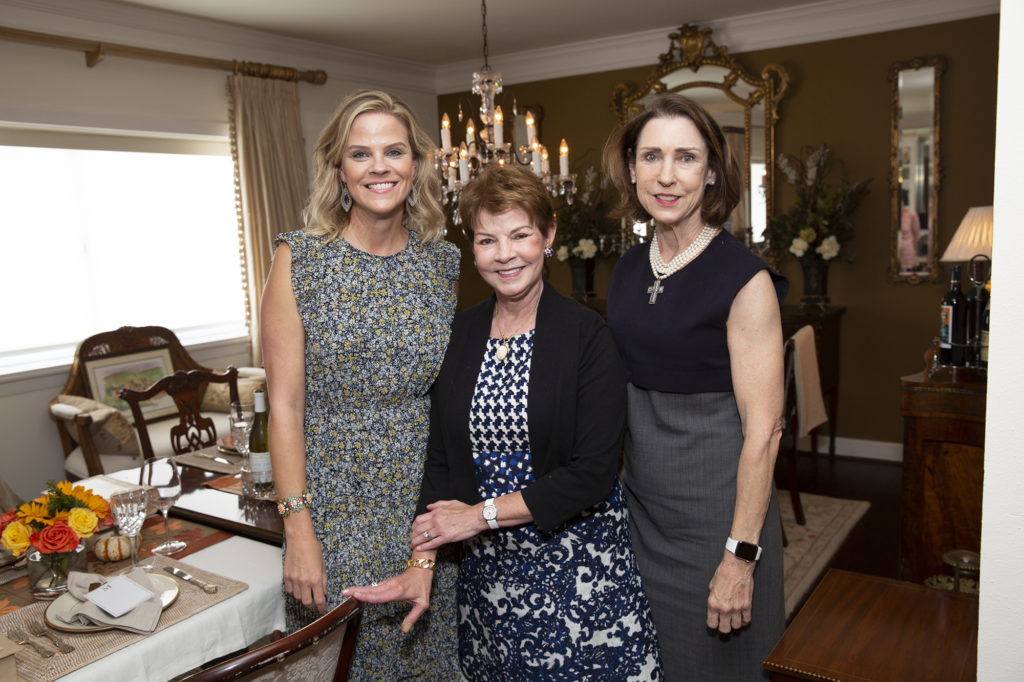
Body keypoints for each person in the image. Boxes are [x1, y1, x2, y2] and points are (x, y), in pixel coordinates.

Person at [345, 164, 662, 680]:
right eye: (488, 240)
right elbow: (442, 458)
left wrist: (476, 517)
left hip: (576, 566)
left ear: (548, 236)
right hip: (488, 575)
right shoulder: (461, 332)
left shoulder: (587, 335)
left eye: (520, 235)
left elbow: (593, 473)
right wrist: (421, 561)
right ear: (473, 250)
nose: (505, 254)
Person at [261, 89, 460, 679]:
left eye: (394, 151)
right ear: (339, 170)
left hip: (420, 506)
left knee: (424, 660)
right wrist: (298, 528)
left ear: (416, 166)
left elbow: (444, 396)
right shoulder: (298, 258)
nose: (379, 166)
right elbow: (285, 405)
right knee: (342, 666)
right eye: (361, 154)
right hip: (330, 504)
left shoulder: (442, 262)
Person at [602, 93, 788, 680]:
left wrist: (740, 556)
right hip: (642, 515)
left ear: (711, 172)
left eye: (686, 158)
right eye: (651, 156)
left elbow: (765, 431)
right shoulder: (628, 269)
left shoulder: (744, 279)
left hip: (719, 521)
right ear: (631, 168)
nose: (665, 175)